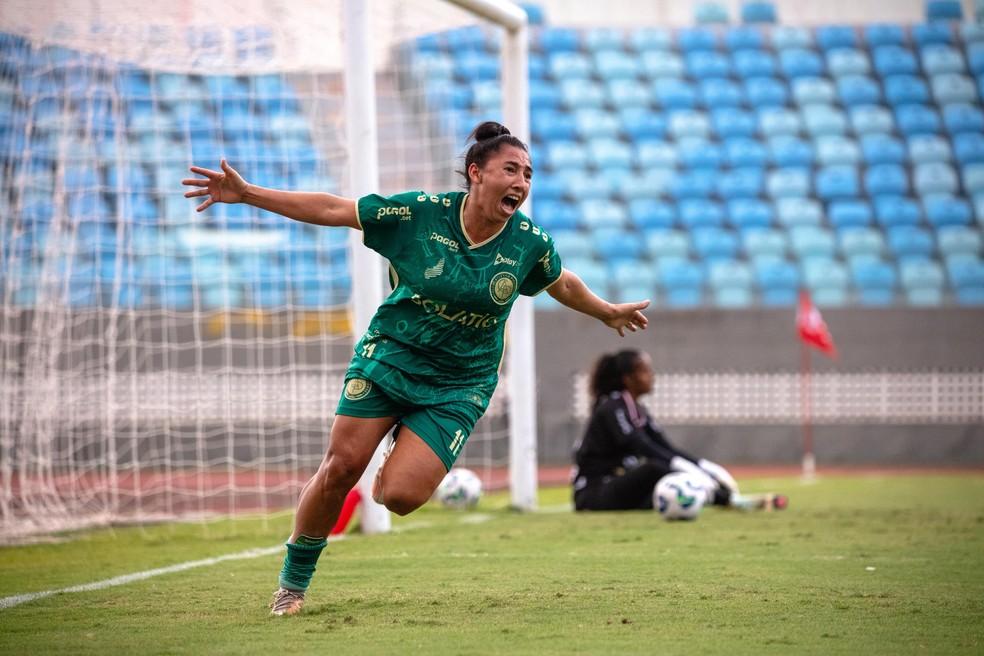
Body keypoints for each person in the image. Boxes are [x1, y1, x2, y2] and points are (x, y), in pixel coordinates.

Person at [183, 122, 650, 616]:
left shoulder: (528, 242)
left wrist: (606, 310)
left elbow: (562, 282)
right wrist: (248, 193)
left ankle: (398, 451)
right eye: (510, 169)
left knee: (401, 496)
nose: (522, 181)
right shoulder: (419, 214)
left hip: (460, 383)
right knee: (341, 467)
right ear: (476, 173)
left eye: (529, 174)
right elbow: (334, 208)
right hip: (391, 357)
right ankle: (292, 585)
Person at [571, 349, 787, 513]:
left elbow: (664, 446)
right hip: (594, 492)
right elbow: (640, 445)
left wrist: (702, 466)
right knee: (653, 469)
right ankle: (727, 500)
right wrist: (685, 470)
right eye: (645, 371)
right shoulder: (611, 407)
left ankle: (714, 497)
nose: (651, 376)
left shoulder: (638, 409)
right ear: (628, 379)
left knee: (664, 494)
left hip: (618, 487)